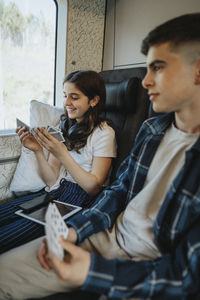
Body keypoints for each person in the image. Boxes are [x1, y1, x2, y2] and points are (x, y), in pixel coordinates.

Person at [1, 12, 200, 300]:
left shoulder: (105, 133)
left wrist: (92, 271)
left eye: (157, 67)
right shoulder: (152, 130)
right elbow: (118, 191)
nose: (145, 82)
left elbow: (186, 275)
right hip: (104, 232)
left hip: (146, 259)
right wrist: (75, 231)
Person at [0, 70, 117, 254]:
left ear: (93, 100)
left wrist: (62, 153)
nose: (66, 103)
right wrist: (37, 150)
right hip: (54, 192)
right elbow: (50, 180)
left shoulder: (104, 133)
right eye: (65, 96)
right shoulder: (66, 127)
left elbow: (94, 187)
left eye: (74, 97)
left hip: (79, 200)